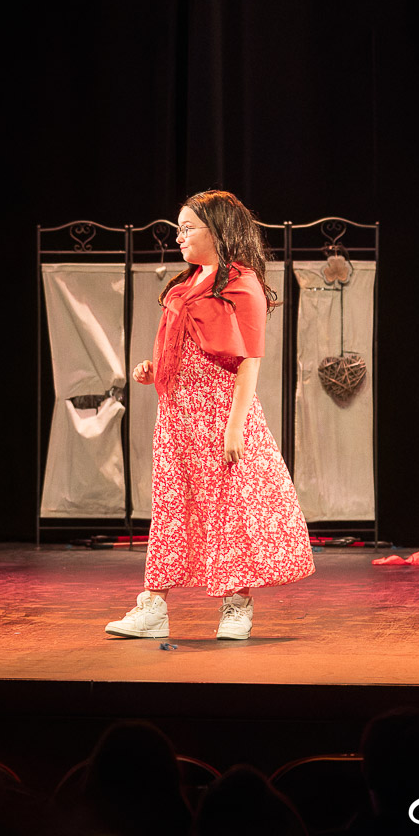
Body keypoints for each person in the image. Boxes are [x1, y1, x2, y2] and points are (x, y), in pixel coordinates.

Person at [107, 189, 313, 641]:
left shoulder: (243, 283)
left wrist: (234, 426)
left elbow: (250, 360)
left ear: (218, 231)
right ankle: (154, 605)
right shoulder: (184, 284)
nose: (178, 236)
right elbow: (179, 349)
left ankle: (237, 606)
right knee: (171, 507)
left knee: (230, 509)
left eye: (188, 228)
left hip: (221, 413)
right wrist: (152, 368)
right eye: (178, 228)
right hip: (179, 416)